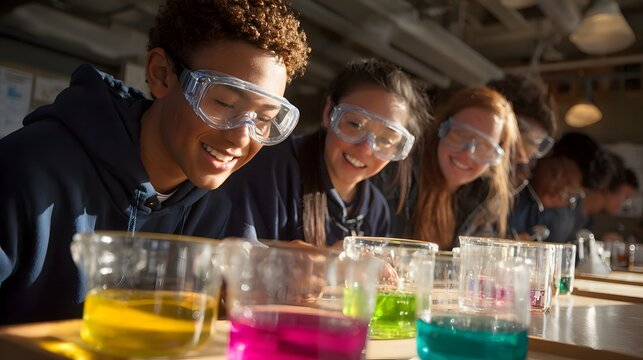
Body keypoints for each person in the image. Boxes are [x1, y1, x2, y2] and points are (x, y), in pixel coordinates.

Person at [0, 0, 309, 324]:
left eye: (264, 119)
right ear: (162, 74)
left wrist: (281, 278)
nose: (242, 138)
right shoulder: (26, 170)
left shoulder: (222, 209)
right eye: (224, 102)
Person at [222, 58, 431, 246]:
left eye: (385, 139)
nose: (366, 148)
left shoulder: (376, 210)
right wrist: (323, 264)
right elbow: (234, 257)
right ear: (329, 112)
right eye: (355, 125)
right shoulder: (271, 167)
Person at [413, 87, 520, 249]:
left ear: (495, 159)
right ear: (441, 129)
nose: (467, 154)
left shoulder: (484, 195)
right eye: (461, 134)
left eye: (484, 147)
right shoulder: (401, 177)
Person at [508, 156, 584, 243]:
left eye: (569, 194)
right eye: (554, 173)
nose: (560, 190)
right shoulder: (515, 191)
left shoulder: (542, 212)